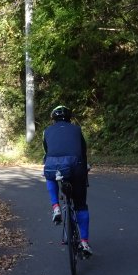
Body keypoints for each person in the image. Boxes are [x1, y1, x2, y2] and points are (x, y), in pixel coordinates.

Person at [42, 105, 92, 255]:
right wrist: (85, 170)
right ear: (69, 118)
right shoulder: (77, 130)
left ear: (53, 119)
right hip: (76, 165)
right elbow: (83, 151)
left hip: (53, 165)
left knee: (49, 175)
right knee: (81, 205)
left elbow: (47, 152)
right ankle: (84, 243)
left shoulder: (47, 131)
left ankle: (55, 206)